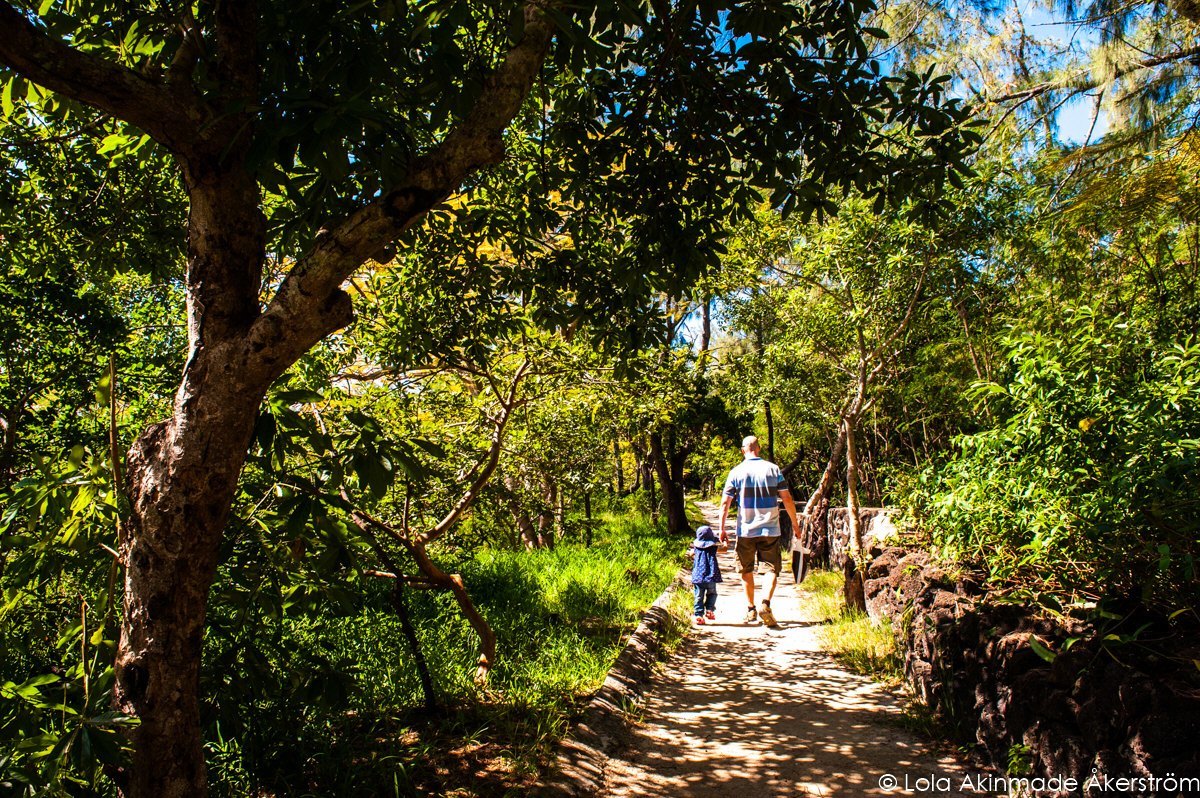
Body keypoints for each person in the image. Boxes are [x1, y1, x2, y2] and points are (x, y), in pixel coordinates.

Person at [719, 435, 801, 627]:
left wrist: (722, 529)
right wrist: (795, 525)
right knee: (771, 568)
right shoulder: (773, 470)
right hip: (770, 529)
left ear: (743, 450)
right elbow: (787, 499)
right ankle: (765, 603)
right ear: (759, 448)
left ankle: (750, 609)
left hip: (746, 530)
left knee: (745, 569)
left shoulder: (736, 472)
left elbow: (725, 502)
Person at [688, 525, 722, 625]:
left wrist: (691, 553)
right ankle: (710, 609)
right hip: (711, 576)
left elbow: (690, 553)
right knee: (712, 593)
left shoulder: (696, 549)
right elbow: (724, 548)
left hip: (698, 576)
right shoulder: (713, 548)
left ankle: (698, 614)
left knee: (698, 595)